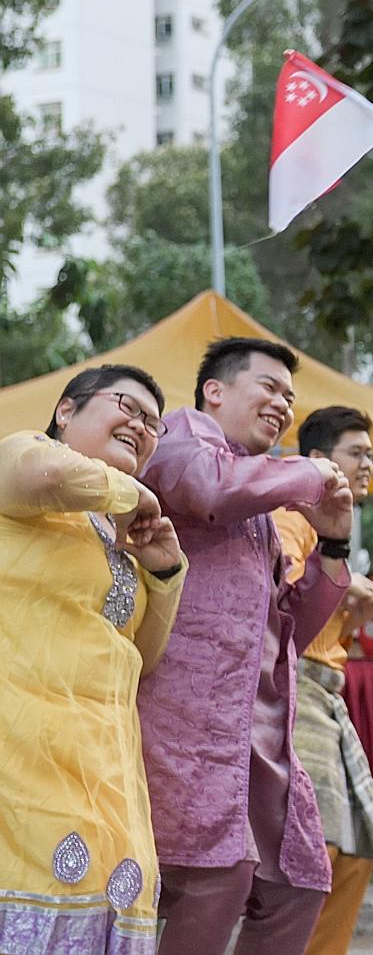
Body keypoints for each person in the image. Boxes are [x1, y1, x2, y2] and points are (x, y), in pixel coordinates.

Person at [137, 338, 354, 955]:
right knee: (217, 877)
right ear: (215, 390)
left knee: (298, 884)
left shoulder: (260, 501)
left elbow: (288, 630)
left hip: (258, 732)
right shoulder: (182, 436)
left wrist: (333, 548)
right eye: (270, 387)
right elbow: (210, 489)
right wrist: (312, 471)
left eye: (290, 396)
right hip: (186, 717)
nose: (284, 404)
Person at [0, 366, 187, 953]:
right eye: (128, 406)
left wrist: (164, 573)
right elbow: (48, 474)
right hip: (21, 762)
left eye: (154, 423)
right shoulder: (22, 457)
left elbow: (142, 658)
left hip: (107, 775)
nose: (142, 426)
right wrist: (136, 495)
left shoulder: (116, 532)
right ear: (66, 410)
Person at [274, 407, 373, 955]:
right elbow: (282, 592)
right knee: (317, 848)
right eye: (356, 452)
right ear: (318, 459)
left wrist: (351, 594)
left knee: (356, 847)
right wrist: (349, 583)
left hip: (325, 693)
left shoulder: (333, 524)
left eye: (371, 454)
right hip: (294, 687)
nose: (368, 463)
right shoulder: (292, 514)